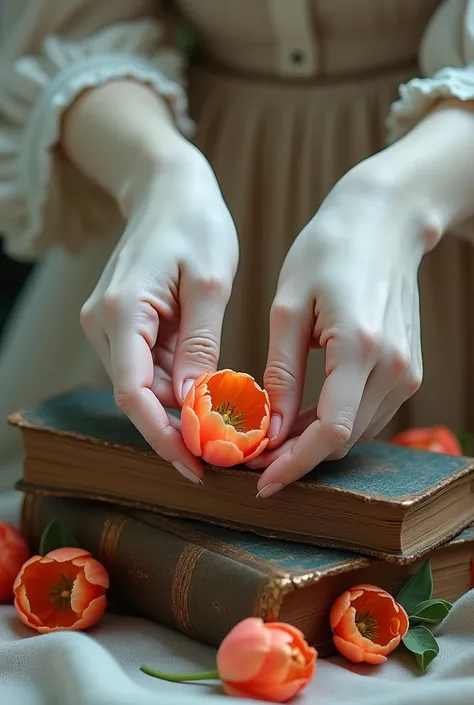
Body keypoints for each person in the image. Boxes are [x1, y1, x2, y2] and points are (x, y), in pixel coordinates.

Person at [1, 0, 474, 499]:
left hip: (448, 184)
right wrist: (154, 171)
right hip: (182, 185)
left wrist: (401, 200)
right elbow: (75, 33)